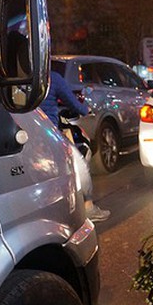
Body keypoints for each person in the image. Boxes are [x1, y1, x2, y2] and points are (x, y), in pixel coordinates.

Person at [42, 70, 110, 222]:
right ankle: (89, 208)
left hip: (26, 135)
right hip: (48, 134)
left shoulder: (16, 80)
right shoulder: (52, 77)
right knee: (79, 166)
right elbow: (74, 104)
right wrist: (86, 110)